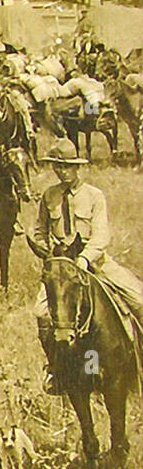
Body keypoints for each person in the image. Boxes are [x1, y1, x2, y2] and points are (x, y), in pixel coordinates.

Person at [29, 138, 143, 394]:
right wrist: (48, 254)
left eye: (67, 166)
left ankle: (138, 362)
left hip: (95, 263)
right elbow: (39, 230)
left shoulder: (94, 196)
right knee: (42, 314)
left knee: (139, 299)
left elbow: (102, 235)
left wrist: (84, 258)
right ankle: (57, 370)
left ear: (78, 167)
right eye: (58, 166)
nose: (62, 171)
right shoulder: (50, 196)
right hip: (61, 269)